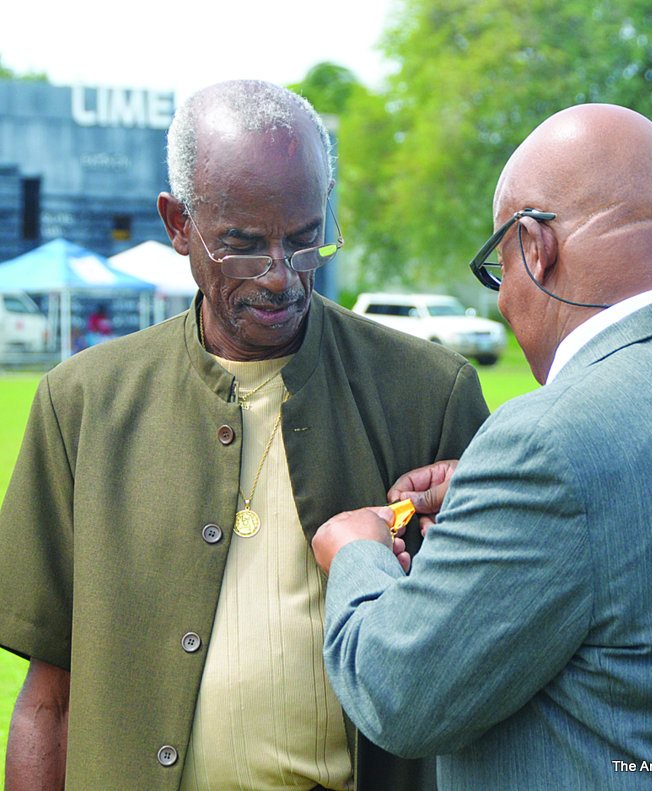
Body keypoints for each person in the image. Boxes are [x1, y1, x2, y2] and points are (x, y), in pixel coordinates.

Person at [0, 80, 489, 791]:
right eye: (241, 244)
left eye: (304, 239)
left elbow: (488, 671)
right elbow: (49, 699)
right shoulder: (81, 404)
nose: (280, 275)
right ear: (176, 223)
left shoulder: (428, 394)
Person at [312, 103, 652, 789]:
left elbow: (400, 694)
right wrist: (494, 498)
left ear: (536, 247)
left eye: (498, 270)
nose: (504, 303)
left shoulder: (549, 442)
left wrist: (356, 552)